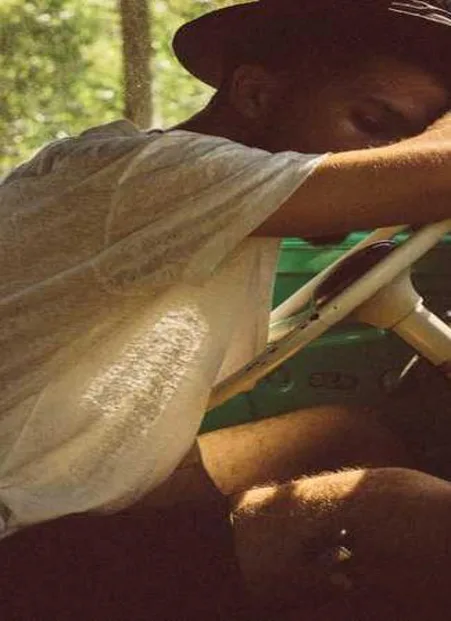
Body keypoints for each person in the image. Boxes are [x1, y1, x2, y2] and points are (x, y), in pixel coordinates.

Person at [1, 0, 451, 618]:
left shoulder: (218, 209)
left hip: (68, 488)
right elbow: (435, 175)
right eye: (373, 123)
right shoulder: (139, 175)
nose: (385, 160)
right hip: (20, 546)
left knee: (344, 437)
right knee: (393, 513)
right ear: (256, 94)